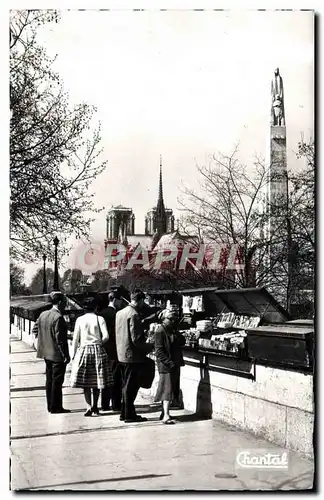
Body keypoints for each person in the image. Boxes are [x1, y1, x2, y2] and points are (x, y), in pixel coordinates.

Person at [69, 296, 113, 416]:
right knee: (97, 381)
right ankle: (95, 406)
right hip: (98, 350)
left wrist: (73, 356)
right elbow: (106, 336)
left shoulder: (80, 320)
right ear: (95, 307)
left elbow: (75, 339)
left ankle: (88, 407)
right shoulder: (100, 319)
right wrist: (98, 342)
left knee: (86, 382)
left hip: (84, 351)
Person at [115, 289, 153, 423]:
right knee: (131, 387)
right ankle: (129, 415)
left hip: (121, 354)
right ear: (141, 300)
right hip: (132, 356)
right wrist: (150, 346)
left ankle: (124, 413)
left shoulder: (120, 313)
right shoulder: (134, 314)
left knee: (125, 385)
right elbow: (136, 339)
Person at [33, 291, 71, 414]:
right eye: (64, 302)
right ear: (59, 302)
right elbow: (60, 340)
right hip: (56, 354)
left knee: (49, 380)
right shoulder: (58, 317)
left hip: (45, 352)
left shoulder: (43, 314)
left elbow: (35, 328)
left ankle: (50, 405)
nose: (65, 304)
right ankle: (56, 406)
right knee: (57, 381)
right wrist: (66, 355)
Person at [154, 309, 185, 424]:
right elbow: (159, 351)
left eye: (174, 319)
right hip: (166, 366)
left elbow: (182, 341)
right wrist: (169, 363)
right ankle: (166, 415)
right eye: (170, 319)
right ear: (164, 319)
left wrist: (177, 332)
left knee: (171, 389)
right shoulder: (160, 331)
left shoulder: (172, 331)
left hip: (174, 364)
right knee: (166, 390)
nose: (173, 321)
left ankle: (164, 413)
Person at [99, 291, 125, 411]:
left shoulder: (101, 313)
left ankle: (104, 404)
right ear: (115, 299)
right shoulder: (117, 314)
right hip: (115, 350)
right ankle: (116, 404)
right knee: (116, 378)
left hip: (104, 349)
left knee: (105, 378)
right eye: (120, 300)